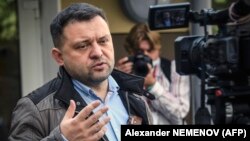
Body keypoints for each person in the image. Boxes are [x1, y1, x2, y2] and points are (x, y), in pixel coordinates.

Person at [8, 3, 150, 141]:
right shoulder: (35, 109)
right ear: (59, 57)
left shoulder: (135, 96)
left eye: (103, 41)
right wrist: (63, 139)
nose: (97, 52)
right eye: (83, 45)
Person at [116, 23, 190, 125]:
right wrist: (117, 80)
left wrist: (153, 86)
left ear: (158, 48)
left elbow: (180, 113)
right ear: (131, 51)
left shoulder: (174, 69)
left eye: (150, 50)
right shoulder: (124, 72)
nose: (145, 55)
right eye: (140, 51)